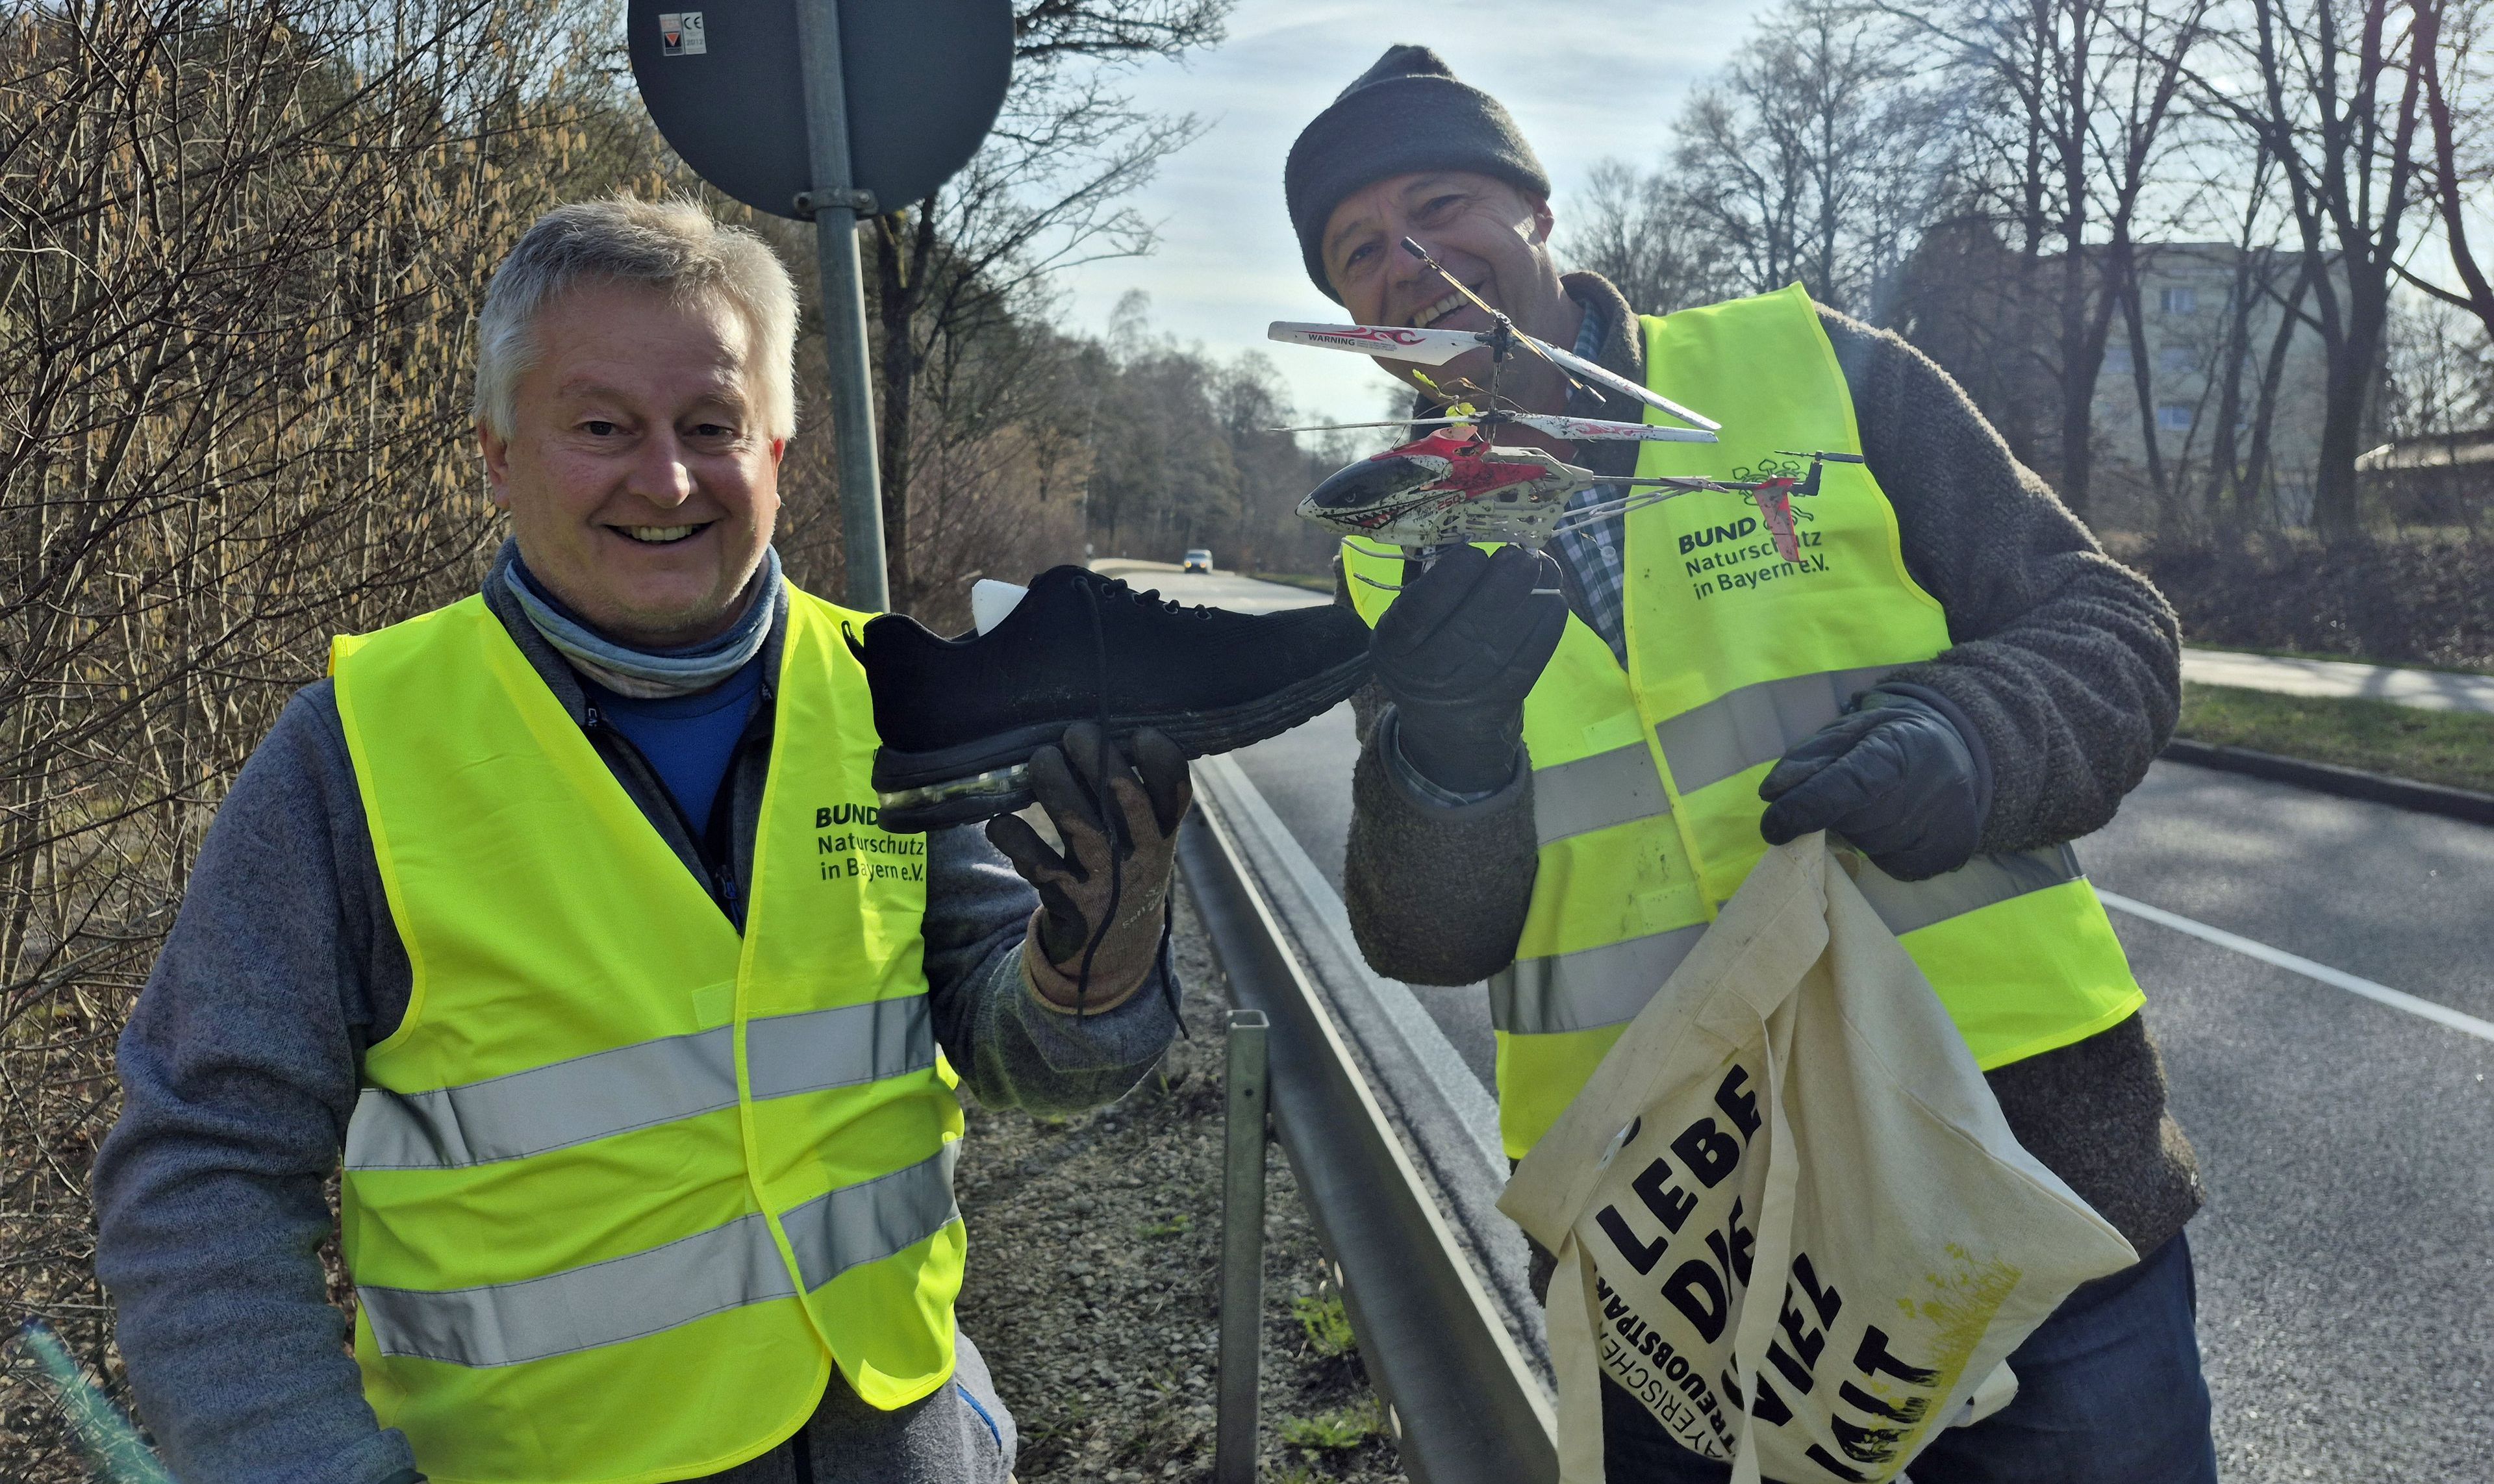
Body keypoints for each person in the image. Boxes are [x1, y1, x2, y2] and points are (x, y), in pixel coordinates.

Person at [92, 197, 1192, 1484]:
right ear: (500, 454)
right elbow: (198, 1178)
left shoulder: (894, 695)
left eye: (711, 427)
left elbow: (1021, 1056)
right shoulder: (357, 751)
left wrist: (1088, 975)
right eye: (603, 427)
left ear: (777, 446)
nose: (666, 479)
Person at [1287, 47, 2215, 1482]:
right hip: (1675, 1273)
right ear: (1348, 315)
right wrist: (1446, 766)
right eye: (1359, 250)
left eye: (1443, 206)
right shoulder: (1390, 542)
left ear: (1535, 213)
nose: (1409, 262)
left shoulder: (1815, 370)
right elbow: (1424, 932)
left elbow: (2112, 630)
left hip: (2025, 1194)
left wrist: (1965, 743)